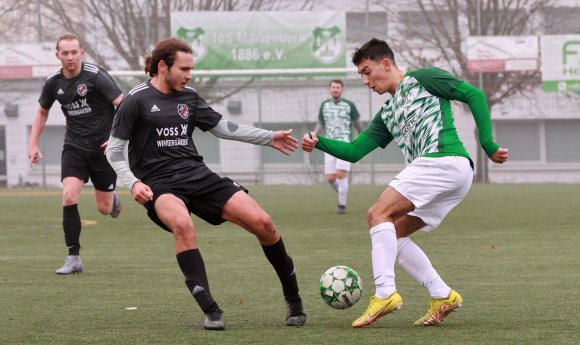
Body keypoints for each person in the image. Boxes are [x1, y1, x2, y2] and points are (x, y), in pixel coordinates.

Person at [302, 38, 508, 328]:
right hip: (452, 175)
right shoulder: (387, 114)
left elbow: (474, 94)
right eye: (360, 75)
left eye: (367, 70)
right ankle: (442, 295)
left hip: (443, 160)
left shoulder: (422, 78)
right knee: (394, 235)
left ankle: (385, 293)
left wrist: (487, 143)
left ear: (385, 64)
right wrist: (318, 142)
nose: (365, 80)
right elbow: (354, 151)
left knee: (377, 214)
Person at [105, 38, 306, 331]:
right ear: (163, 67)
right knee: (183, 226)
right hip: (159, 183)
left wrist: (268, 137)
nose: (189, 75)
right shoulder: (135, 100)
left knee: (263, 223)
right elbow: (113, 150)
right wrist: (133, 183)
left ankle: (294, 299)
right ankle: (211, 310)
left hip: (198, 175)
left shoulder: (190, 97)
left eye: (191, 69)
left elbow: (222, 128)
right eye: (184, 68)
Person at [28, 33, 123, 275]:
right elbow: (41, 112)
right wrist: (32, 144)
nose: (70, 57)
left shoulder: (96, 75)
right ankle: (73, 257)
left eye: (74, 52)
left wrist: (116, 138)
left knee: (104, 208)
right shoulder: (53, 82)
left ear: (81, 53)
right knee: (69, 197)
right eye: (65, 53)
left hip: (103, 149)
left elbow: (122, 104)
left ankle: (113, 200)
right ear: (58, 55)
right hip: (75, 147)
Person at [313, 79, 363, 214]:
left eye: (338, 87)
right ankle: (343, 191)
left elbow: (358, 125)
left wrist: (364, 142)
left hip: (345, 144)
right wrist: (313, 135)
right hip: (329, 145)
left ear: (342, 89)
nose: (335, 89)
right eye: (333, 87)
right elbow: (321, 123)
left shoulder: (349, 105)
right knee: (330, 179)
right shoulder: (324, 105)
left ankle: (342, 206)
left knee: (341, 175)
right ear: (330, 89)